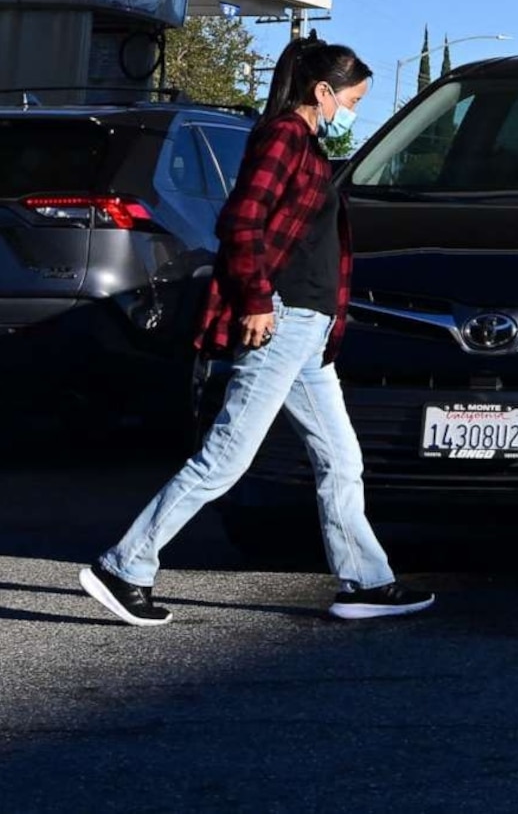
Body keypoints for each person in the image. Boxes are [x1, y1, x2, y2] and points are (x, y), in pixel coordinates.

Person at [80, 38, 433, 627]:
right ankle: (125, 566)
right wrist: (256, 299)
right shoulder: (283, 138)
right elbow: (240, 220)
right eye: (350, 98)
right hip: (283, 319)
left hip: (310, 332)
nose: (350, 110)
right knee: (224, 459)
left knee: (341, 460)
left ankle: (365, 583)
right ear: (322, 91)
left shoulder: (309, 146)